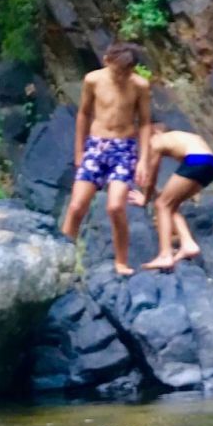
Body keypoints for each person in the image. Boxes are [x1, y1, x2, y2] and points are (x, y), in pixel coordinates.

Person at [62, 42, 152, 277]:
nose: (122, 77)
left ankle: (121, 261)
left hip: (124, 149)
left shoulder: (140, 86)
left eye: (127, 72)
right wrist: (79, 151)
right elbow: (83, 113)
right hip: (96, 145)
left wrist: (143, 160)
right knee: (76, 205)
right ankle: (61, 257)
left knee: (115, 206)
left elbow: (144, 123)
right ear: (107, 61)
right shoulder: (93, 80)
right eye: (118, 71)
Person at [130, 126, 213, 271]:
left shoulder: (156, 141)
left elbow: (151, 177)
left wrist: (145, 199)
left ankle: (165, 255)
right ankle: (188, 244)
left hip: (195, 162)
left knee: (162, 205)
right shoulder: (189, 138)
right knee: (170, 205)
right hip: (210, 166)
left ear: (154, 132)